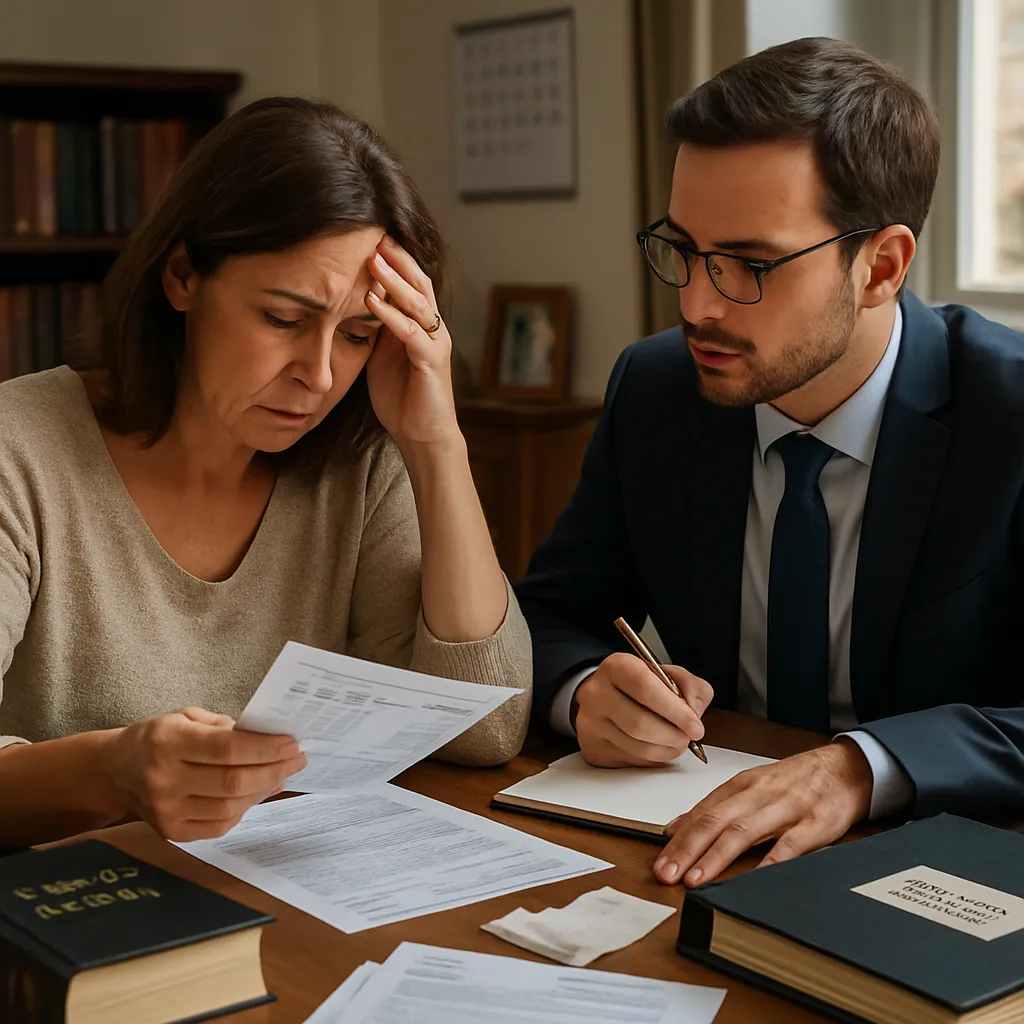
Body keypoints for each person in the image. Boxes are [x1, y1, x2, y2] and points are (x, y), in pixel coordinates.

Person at [516, 37, 1024, 888]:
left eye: (751, 265)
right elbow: (546, 617)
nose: (696, 303)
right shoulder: (657, 390)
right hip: (703, 854)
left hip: (948, 874)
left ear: (882, 266)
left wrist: (862, 767)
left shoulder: (1007, 415)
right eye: (682, 248)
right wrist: (583, 691)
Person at [0, 97, 532, 849]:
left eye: (357, 335)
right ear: (183, 275)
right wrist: (112, 771)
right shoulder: (18, 449)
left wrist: (436, 442)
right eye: (283, 319)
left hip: (298, 911)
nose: (318, 375)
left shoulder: (362, 465)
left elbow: (486, 728)